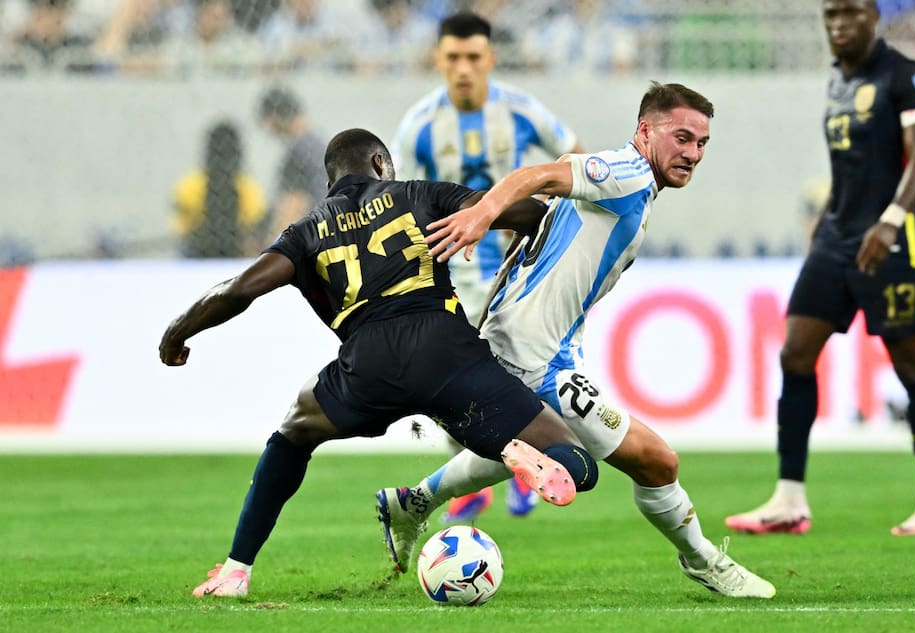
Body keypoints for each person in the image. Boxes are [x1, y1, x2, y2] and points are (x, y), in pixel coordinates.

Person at [376, 82, 777, 599]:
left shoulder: (632, 184)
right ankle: (704, 561)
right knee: (657, 462)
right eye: (682, 138)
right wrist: (481, 216)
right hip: (536, 358)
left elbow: (547, 212)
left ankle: (412, 502)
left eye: (702, 144)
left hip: (541, 346)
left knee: (531, 443)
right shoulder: (625, 173)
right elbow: (536, 174)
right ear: (645, 130)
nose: (692, 153)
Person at [158, 127, 599, 598]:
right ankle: (510, 448)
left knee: (293, 432)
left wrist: (178, 331)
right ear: (381, 165)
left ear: (331, 182)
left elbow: (240, 289)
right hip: (447, 352)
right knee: (575, 461)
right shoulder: (421, 194)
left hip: (367, 366)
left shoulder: (306, 230)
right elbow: (528, 214)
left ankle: (235, 572)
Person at [725, 0, 915, 537]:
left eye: (850, 13)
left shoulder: (905, 76)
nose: (838, 24)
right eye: (830, 15)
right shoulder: (838, 83)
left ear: (875, 17)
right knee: (795, 353)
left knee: (910, 363)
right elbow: (845, 171)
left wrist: (892, 219)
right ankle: (788, 500)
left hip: (890, 240)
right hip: (835, 239)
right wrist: (822, 232)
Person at [390, 10, 583, 522]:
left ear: (490, 59)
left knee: (521, 374)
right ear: (438, 60)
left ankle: (522, 465)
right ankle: (482, 476)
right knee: (449, 383)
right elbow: (401, 204)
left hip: (523, 273)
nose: (463, 68)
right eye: (453, 58)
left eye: (473, 57)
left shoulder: (522, 112)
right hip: (456, 277)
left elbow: (577, 163)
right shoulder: (419, 127)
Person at [171, 120, 267, 258]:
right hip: (202, 248)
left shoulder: (191, 184)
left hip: (224, 248)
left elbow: (182, 227)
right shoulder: (247, 186)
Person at [257, 85, 330, 244]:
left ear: (273, 117)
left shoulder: (297, 151)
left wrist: (271, 251)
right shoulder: (321, 142)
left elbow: (293, 204)